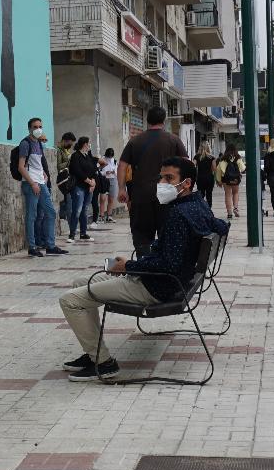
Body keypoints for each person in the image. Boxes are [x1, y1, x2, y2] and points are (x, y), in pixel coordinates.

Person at [58, 158, 228, 380]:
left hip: (155, 287)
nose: (162, 183)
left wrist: (128, 266)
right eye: (161, 177)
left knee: (69, 300)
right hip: (169, 281)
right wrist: (129, 266)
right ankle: (94, 353)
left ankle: (104, 363)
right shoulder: (198, 204)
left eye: (169, 178)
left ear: (186, 183)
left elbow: (169, 265)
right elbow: (222, 226)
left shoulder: (178, 214)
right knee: (80, 283)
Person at [117, 106, 188, 255]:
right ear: (164, 120)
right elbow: (186, 165)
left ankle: (144, 268)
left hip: (141, 195)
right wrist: (182, 189)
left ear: (147, 120)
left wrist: (122, 189)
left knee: (142, 237)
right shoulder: (173, 140)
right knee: (168, 236)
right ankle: (164, 269)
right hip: (167, 196)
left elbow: (122, 166)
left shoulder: (135, 141)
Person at [18, 118, 66, 257]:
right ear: (29, 128)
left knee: (50, 212)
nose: (38, 129)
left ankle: (50, 245)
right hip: (31, 184)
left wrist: (43, 174)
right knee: (32, 215)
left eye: (40, 126)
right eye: (35, 127)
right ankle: (32, 247)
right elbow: (21, 167)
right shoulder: (25, 143)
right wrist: (33, 183)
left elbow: (37, 162)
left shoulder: (38, 143)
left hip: (41, 182)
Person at [66, 136, 98, 242]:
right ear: (85, 144)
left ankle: (83, 233)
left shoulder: (88, 156)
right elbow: (76, 171)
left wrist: (93, 182)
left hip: (88, 188)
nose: (89, 146)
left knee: (85, 210)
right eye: (89, 143)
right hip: (78, 187)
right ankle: (72, 234)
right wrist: (89, 181)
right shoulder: (76, 156)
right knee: (77, 210)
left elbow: (94, 169)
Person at [54, 132, 77, 238]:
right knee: (69, 205)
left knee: (70, 203)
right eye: (70, 143)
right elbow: (59, 166)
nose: (70, 146)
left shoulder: (66, 150)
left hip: (70, 180)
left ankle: (69, 223)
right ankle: (71, 227)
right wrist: (70, 161)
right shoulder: (59, 150)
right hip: (64, 180)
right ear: (65, 140)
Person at [214, 144, 245, 219]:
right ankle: (236, 208)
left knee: (228, 194)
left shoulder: (223, 159)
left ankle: (229, 213)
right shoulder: (238, 158)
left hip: (226, 179)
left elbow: (218, 170)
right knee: (236, 193)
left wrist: (218, 181)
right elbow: (243, 168)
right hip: (235, 179)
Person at [99, 147, 119, 222]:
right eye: (109, 156)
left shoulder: (114, 161)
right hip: (104, 179)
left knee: (111, 198)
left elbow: (117, 170)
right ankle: (101, 216)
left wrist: (114, 172)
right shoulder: (102, 159)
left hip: (113, 179)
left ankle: (109, 216)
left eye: (111, 156)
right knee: (102, 198)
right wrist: (105, 173)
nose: (110, 157)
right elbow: (98, 170)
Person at [195, 142, 216, 207]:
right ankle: (209, 209)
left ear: (200, 148)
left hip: (200, 178)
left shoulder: (196, 157)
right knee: (209, 195)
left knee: (201, 195)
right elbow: (214, 169)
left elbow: (193, 166)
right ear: (208, 148)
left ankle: (201, 209)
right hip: (209, 178)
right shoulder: (212, 157)